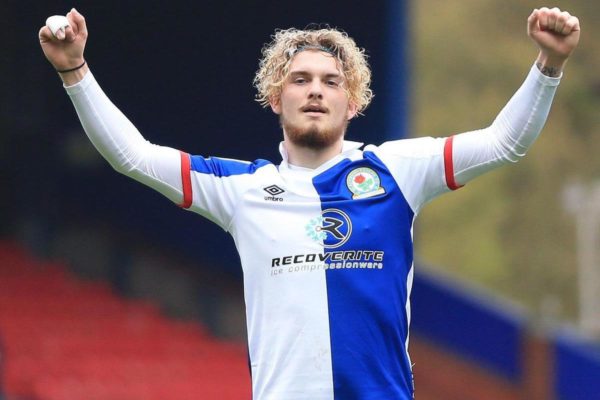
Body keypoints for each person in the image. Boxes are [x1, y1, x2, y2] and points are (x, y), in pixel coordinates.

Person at [39, 7, 580, 399]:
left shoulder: (397, 170)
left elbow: (504, 142)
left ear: (353, 101)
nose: (315, 90)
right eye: (300, 80)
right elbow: (132, 156)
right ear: (277, 97)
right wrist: (74, 72)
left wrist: (547, 66)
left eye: (330, 81)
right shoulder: (241, 189)